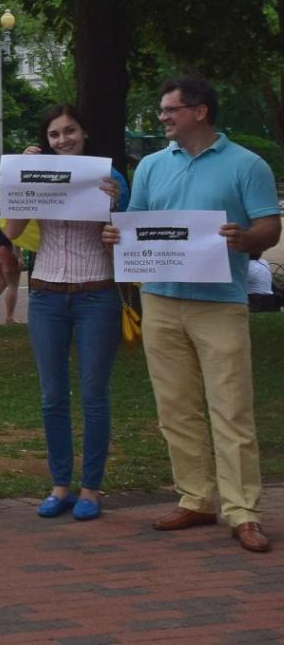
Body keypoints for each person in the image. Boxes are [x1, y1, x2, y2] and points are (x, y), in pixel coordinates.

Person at [104, 76, 278, 553]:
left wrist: (247, 239)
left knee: (231, 409)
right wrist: (118, 236)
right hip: (160, 299)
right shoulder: (153, 166)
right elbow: (137, 223)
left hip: (220, 302)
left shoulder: (247, 164)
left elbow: (269, 225)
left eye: (170, 110)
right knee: (175, 409)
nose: (163, 117)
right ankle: (196, 498)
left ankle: (243, 512)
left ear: (200, 111)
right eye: (163, 110)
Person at [0, 104, 128, 522]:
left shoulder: (111, 177)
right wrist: (20, 179)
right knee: (52, 396)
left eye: (70, 131)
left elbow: (128, 238)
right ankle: (60, 484)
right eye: (54, 135)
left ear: (84, 133)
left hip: (97, 293)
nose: (63, 140)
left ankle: (90, 487)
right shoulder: (35, 174)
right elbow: (12, 231)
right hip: (47, 294)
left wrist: (115, 214)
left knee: (94, 396)